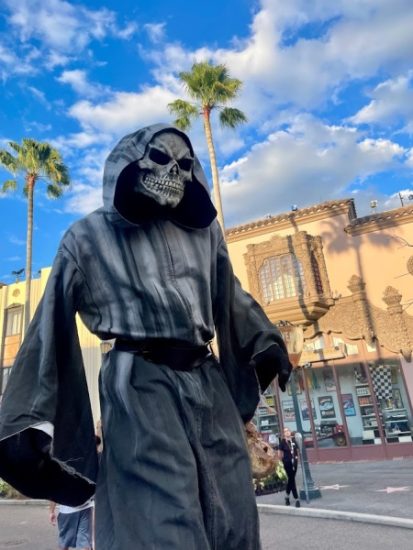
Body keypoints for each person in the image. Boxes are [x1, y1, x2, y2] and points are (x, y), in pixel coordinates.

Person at [0, 124, 292, 549]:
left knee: (232, 510)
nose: (174, 172)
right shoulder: (87, 238)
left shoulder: (204, 233)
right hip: (140, 386)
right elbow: (50, 324)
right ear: (130, 165)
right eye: (160, 158)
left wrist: (263, 342)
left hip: (207, 384)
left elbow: (228, 295)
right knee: (160, 516)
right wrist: (27, 423)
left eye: (185, 165)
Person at [279, 427, 300, 507]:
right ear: (284, 434)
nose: (287, 432)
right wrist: (281, 461)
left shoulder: (293, 441)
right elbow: (279, 453)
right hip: (287, 463)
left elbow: (297, 450)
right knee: (292, 479)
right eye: (285, 431)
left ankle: (287, 496)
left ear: (290, 432)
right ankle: (296, 498)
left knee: (291, 479)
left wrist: (297, 458)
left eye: (288, 431)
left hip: (294, 463)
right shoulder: (282, 442)